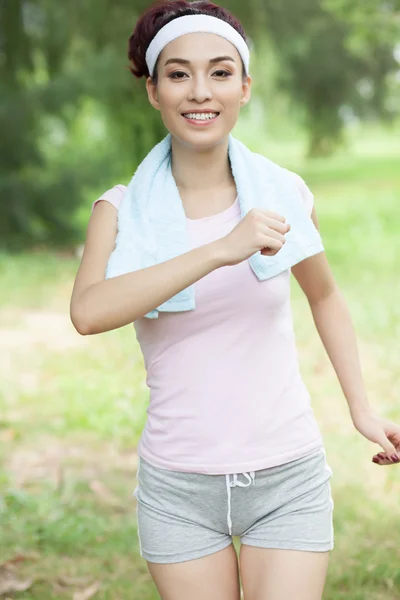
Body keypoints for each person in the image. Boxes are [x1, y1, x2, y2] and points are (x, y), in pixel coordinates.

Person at [69, 1, 400, 598]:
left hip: (287, 474)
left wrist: (361, 409)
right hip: (178, 487)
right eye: (178, 74)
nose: (201, 91)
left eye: (220, 72)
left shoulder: (283, 194)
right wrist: (222, 248)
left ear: (244, 87)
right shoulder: (119, 212)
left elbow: (325, 297)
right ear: (153, 91)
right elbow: (89, 313)